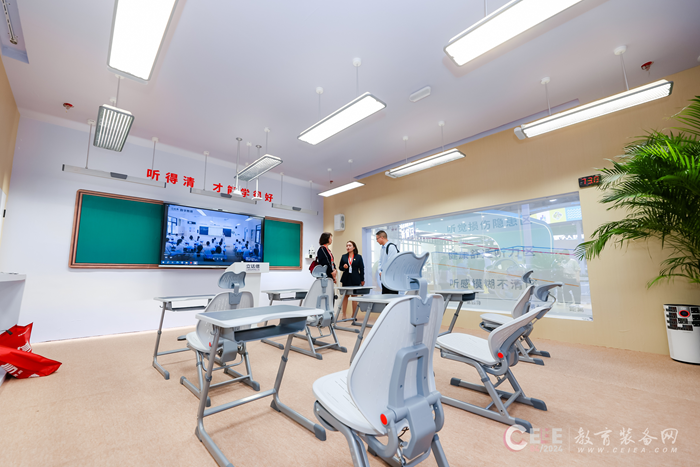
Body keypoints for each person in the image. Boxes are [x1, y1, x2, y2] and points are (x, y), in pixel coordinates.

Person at [338, 241, 365, 320]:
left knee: (354, 297)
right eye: (347, 245)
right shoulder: (344, 256)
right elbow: (340, 267)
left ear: (354, 247)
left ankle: (354, 315)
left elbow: (362, 269)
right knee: (345, 296)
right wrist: (344, 267)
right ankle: (344, 314)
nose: (348, 247)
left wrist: (362, 279)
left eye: (350, 245)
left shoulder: (358, 257)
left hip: (355, 278)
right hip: (346, 278)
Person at [376, 230, 399, 294]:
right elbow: (380, 261)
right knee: (385, 296)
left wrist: (383, 272)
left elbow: (391, 263)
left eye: (377, 238)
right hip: (384, 278)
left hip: (391, 279)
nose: (377, 241)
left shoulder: (391, 247)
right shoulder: (382, 248)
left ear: (382, 237)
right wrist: (380, 271)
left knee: (392, 297)